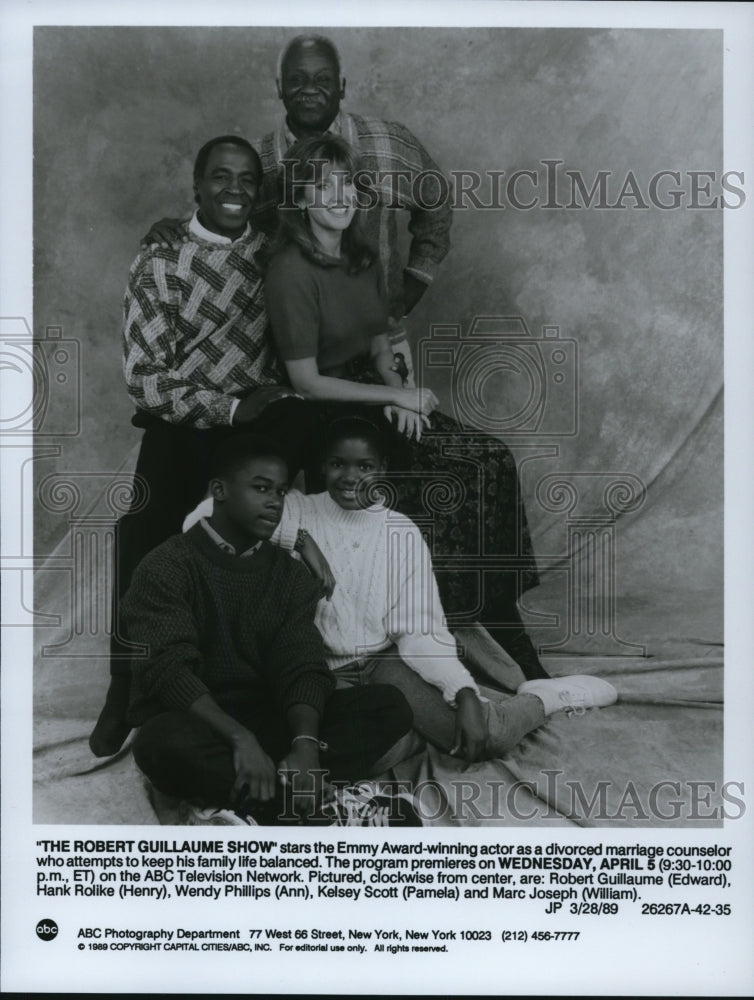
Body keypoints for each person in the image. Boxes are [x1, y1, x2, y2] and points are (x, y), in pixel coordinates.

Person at [263, 134, 549, 682]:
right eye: (322, 185)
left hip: (376, 389)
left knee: (491, 458)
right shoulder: (289, 269)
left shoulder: (363, 256)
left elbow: (380, 345)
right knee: (443, 481)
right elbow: (306, 381)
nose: (339, 196)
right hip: (326, 410)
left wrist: (402, 393)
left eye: (346, 183)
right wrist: (394, 395)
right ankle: (458, 627)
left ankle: (498, 613)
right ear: (300, 197)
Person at [185, 417, 617, 764]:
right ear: (322, 466)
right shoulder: (296, 508)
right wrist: (299, 539)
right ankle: (413, 733)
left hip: (384, 663)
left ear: (383, 469)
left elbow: (420, 630)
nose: (350, 477)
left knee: (489, 737)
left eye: (364, 466)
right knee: (323, 754)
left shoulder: (401, 532)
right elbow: (200, 518)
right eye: (337, 464)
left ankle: (545, 698)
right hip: (316, 675)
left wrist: (463, 693)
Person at [89, 135, 315, 758]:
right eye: (220, 176)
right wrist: (228, 408)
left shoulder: (274, 254)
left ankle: (250, 680)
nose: (234, 189)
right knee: (142, 530)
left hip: (255, 424)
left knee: (296, 436)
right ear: (196, 185)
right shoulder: (160, 259)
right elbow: (145, 379)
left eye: (247, 179)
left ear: (259, 191)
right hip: (184, 418)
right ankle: (127, 682)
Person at [123, 432, 419, 826]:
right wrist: (240, 739)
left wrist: (306, 746)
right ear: (219, 491)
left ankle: (265, 800)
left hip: (267, 720)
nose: (275, 502)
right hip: (198, 721)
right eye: (261, 488)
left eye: (280, 492)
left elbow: (301, 665)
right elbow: (168, 671)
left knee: (388, 707)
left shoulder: (290, 575)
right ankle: (318, 808)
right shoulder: (166, 566)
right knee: (158, 743)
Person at [141, 33, 452, 369]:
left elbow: (438, 202)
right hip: (285, 352)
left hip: (381, 343)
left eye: (323, 80)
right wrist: (181, 229)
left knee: (396, 401)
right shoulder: (256, 161)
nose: (309, 90)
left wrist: (413, 283)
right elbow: (222, 221)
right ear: (280, 87)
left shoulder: (388, 142)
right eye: (296, 80)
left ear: (342, 86)